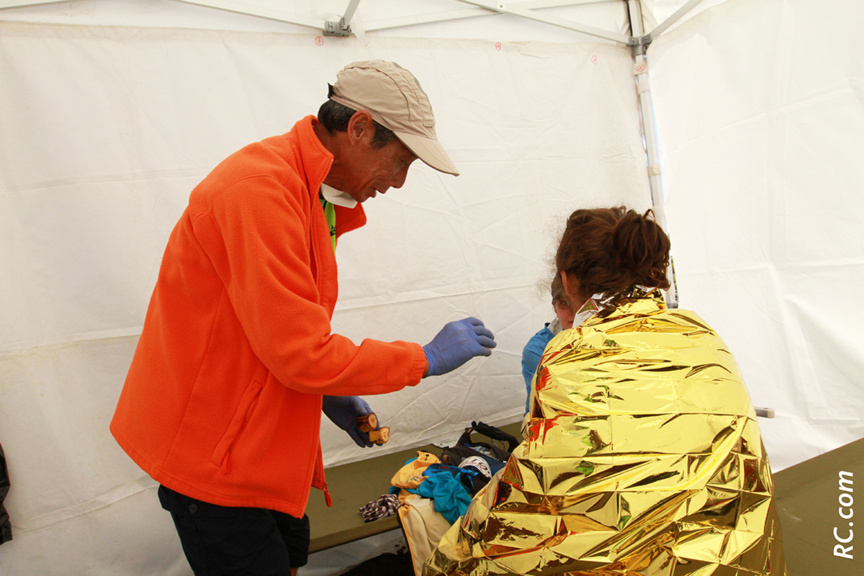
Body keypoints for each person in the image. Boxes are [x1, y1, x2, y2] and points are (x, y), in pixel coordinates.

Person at [110, 60, 496, 576]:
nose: (400, 183)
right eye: (400, 161)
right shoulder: (258, 190)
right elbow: (300, 353)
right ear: (359, 129)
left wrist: (327, 391)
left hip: (264, 457)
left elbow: (274, 328)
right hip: (217, 463)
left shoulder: (312, 193)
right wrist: (422, 358)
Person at [425, 207, 786, 576]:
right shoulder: (702, 335)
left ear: (567, 281)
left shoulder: (568, 353)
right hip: (729, 556)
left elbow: (542, 486)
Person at [520, 274, 574, 413]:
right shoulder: (538, 350)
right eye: (564, 303)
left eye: (578, 303)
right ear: (555, 308)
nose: (573, 312)